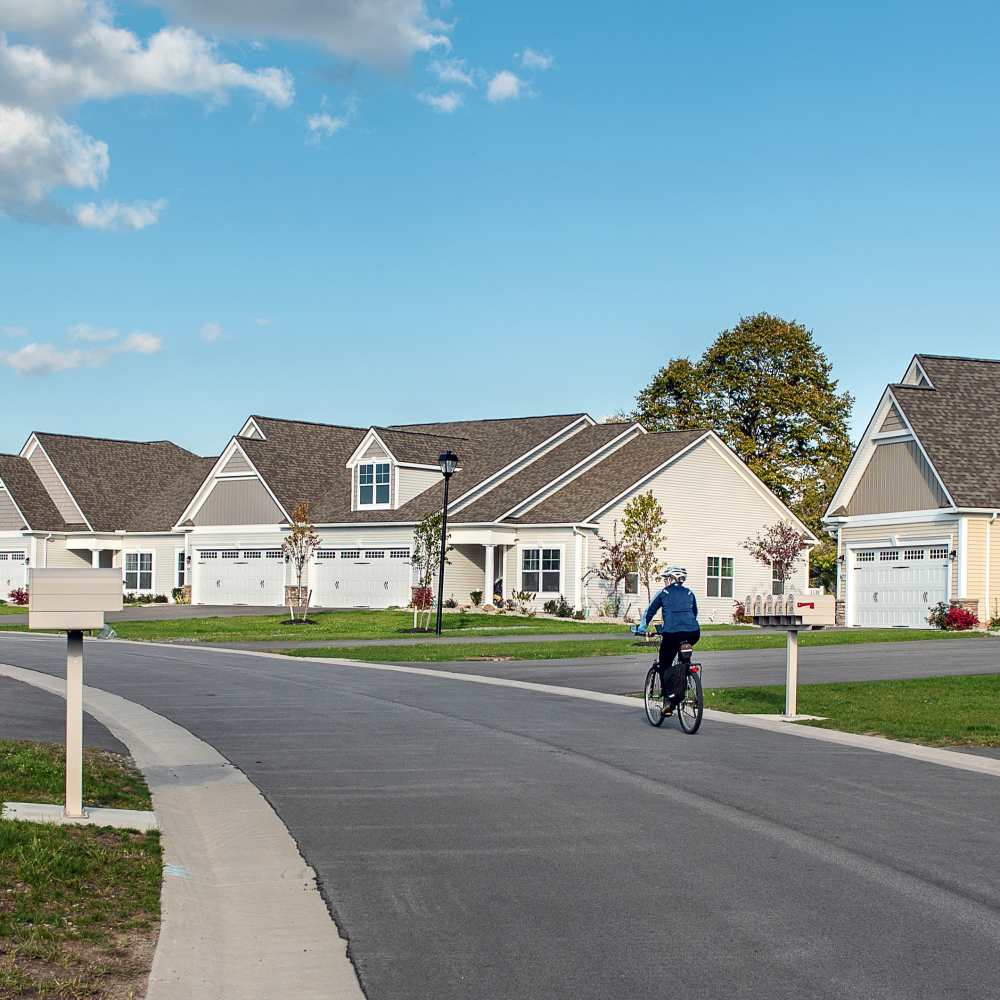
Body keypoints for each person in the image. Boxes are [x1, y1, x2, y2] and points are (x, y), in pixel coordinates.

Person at [636, 566, 700, 715]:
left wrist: (641, 628)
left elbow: (649, 612)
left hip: (672, 634)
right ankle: (686, 674)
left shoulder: (664, 593)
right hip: (693, 633)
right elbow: (694, 613)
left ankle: (668, 700)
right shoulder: (690, 593)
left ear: (671, 579)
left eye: (666, 578)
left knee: (665, 664)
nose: (665, 581)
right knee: (684, 659)